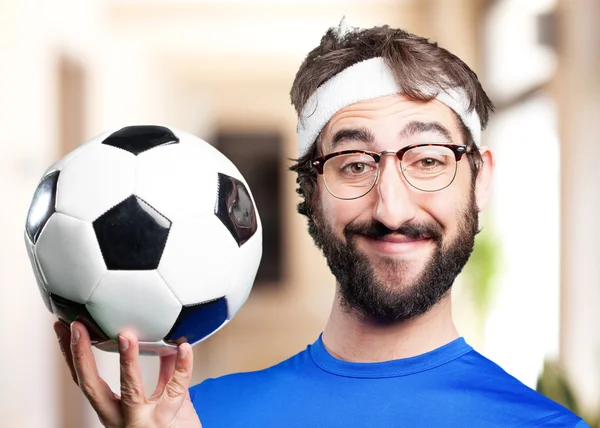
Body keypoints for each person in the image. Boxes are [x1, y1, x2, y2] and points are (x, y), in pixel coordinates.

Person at [54, 24, 589, 427]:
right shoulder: (197, 415)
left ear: (480, 180)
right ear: (309, 192)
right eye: (355, 163)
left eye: (428, 159)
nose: (392, 209)